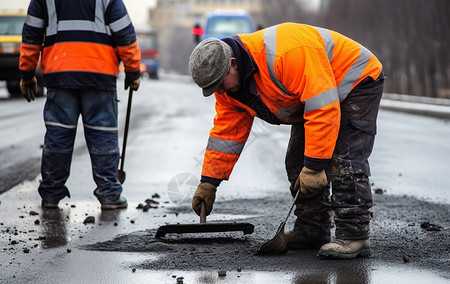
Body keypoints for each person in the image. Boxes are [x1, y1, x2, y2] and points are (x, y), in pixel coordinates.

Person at [188, 23, 385, 259]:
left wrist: (314, 167)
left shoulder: (284, 54)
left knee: (344, 159)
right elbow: (226, 135)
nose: (219, 90)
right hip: (314, 96)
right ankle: (312, 230)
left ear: (233, 63)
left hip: (355, 81)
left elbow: (323, 107)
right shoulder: (229, 90)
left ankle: (354, 235)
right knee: (296, 161)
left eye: (220, 83)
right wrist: (209, 182)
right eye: (213, 88)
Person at [19, 0, 141, 210]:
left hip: (60, 73)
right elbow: (124, 34)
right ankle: (109, 194)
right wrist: (133, 71)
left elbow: (32, 35)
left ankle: (51, 194)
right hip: (99, 73)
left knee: (58, 137)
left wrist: (27, 73)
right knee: (103, 135)